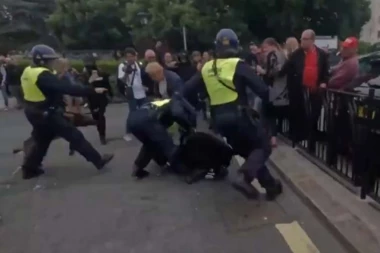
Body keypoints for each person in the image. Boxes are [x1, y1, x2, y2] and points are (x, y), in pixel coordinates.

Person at [182, 29, 283, 200]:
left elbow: (186, 91)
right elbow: (263, 91)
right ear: (236, 46)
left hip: (219, 122)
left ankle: (271, 186)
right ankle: (244, 178)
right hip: (239, 117)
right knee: (263, 146)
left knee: (248, 151)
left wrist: (204, 97)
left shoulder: (207, 67)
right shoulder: (238, 65)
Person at [19, 44, 113, 180]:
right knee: (74, 136)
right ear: (42, 60)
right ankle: (98, 161)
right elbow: (65, 88)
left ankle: (29, 169)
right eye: (50, 60)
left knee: (41, 142)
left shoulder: (29, 70)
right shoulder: (42, 74)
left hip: (34, 111)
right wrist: (92, 90)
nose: (53, 62)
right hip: (47, 114)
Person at [280, 29, 329, 150]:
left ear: (312, 40)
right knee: (298, 115)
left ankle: (310, 140)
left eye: (305, 39)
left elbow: (325, 73)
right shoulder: (296, 54)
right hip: (298, 92)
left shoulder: (321, 55)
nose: (302, 41)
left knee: (313, 116)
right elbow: (285, 69)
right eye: (301, 39)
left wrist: (323, 83)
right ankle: (297, 139)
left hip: (314, 91)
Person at [127, 97, 196, 179]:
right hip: (147, 120)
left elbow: (167, 122)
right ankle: (185, 171)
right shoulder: (176, 101)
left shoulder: (159, 104)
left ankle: (137, 167)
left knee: (150, 144)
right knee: (168, 145)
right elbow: (178, 113)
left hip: (132, 121)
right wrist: (189, 127)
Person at [257, 38, 288, 147]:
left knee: (266, 113)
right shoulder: (283, 55)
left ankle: (264, 137)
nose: (264, 51)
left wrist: (262, 72)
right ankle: (272, 138)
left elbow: (272, 72)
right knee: (271, 114)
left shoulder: (273, 55)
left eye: (265, 48)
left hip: (271, 89)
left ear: (271, 45)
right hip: (281, 90)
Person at [117, 47, 152, 142]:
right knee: (132, 112)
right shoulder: (122, 65)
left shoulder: (138, 65)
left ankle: (144, 129)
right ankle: (128, 132)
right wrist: (126, 73)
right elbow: (122, 80)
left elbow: (141, 77)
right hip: (131, 91)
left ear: (135, 56)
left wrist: (145, 86)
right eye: (128, 56)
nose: (130, 58)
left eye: (132, 56)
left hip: (141, 90)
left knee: (144, 110)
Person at [83, 59, 113, 145]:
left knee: (100, 116)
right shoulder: (85, 76)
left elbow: (107, 84)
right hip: (91, 100)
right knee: (96, 117)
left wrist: (110, 94)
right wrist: (89, 81)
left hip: (101, 98)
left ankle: (102, 136)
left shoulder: (101, 74)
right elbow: (83, 87)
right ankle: (100, 131)